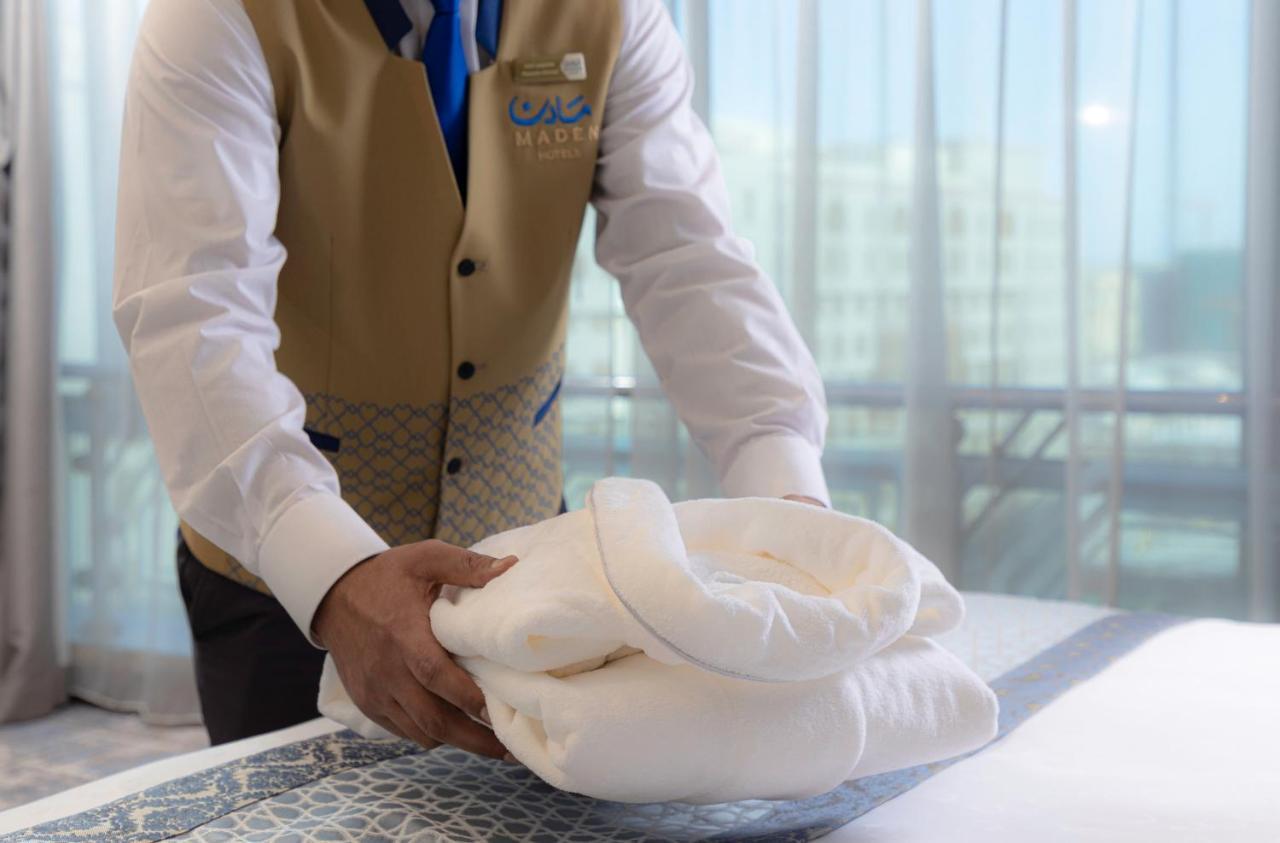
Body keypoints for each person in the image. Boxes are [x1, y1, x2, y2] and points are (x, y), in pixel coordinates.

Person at [113, 0, 829, 759]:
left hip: (522, 564)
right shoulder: (217, 14)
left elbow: (689, 260)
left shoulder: (616, 14)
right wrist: (332, 571)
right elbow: (195, 312)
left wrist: (788, 500)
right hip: (283, 573)